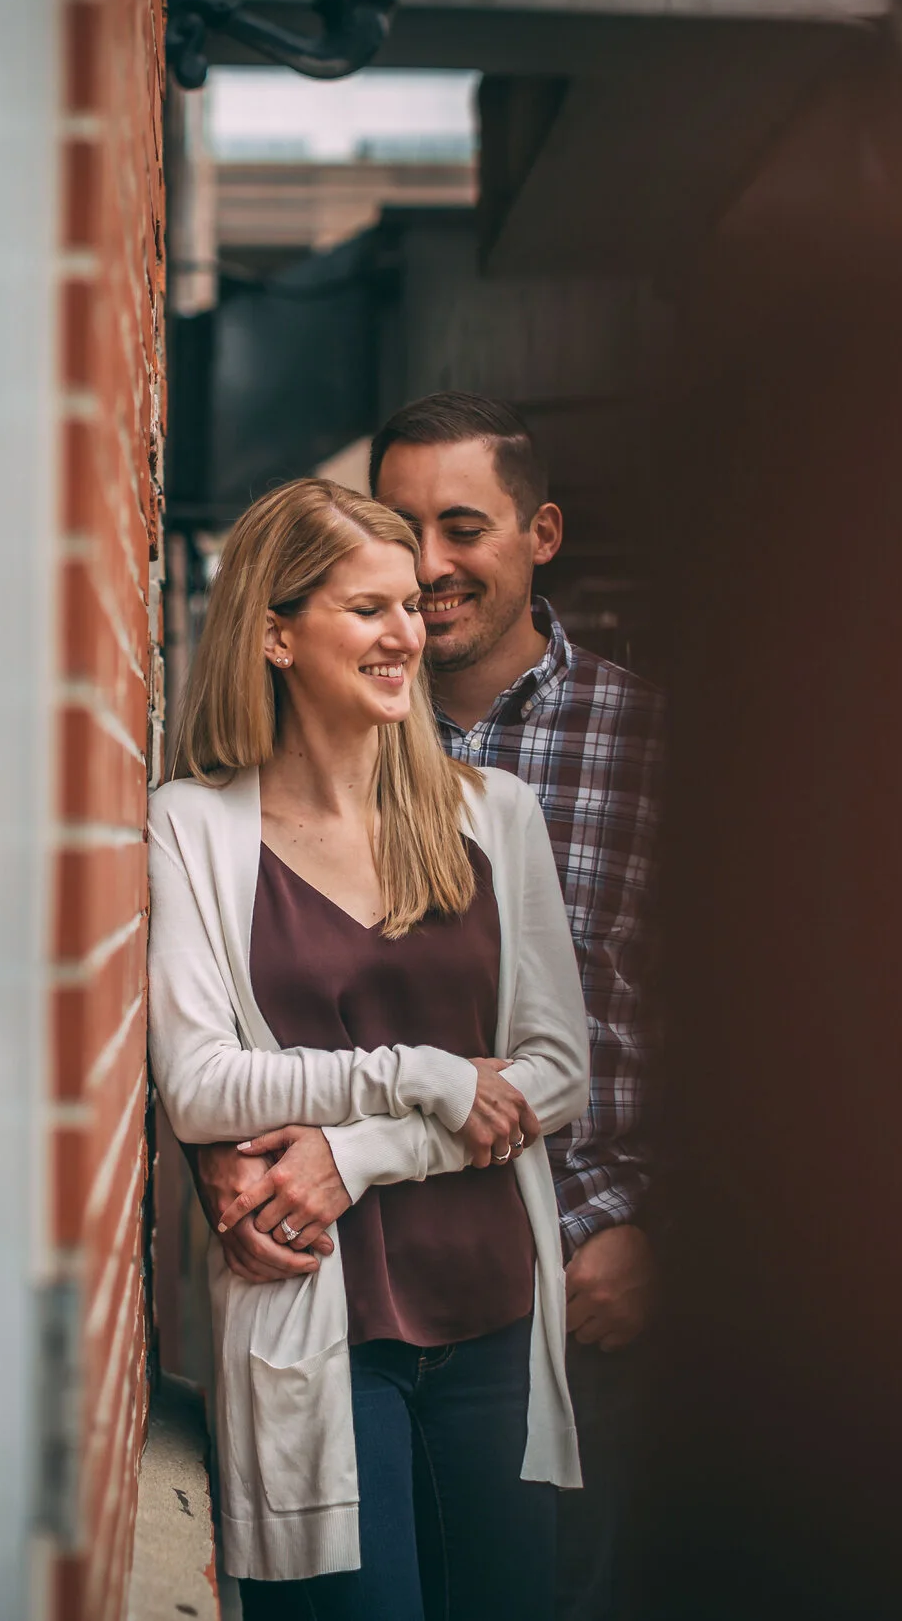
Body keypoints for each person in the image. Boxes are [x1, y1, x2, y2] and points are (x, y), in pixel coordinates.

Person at [198, 394, 666, 1620]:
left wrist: (664, 1227)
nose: (424, 572)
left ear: (541, 533)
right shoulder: (262, 794)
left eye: (460, 529)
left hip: (584, 1272)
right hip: (340, 1287)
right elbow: (211, 1057)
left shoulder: (643, 742)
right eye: (398, 540)